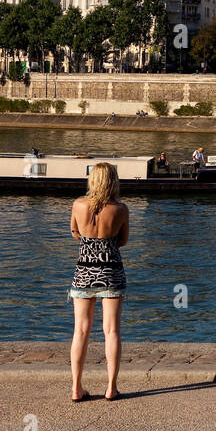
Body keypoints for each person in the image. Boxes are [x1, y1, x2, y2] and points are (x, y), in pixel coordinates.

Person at [68, 163, 129, 402]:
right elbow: (123, 241)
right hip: (112, 272)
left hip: (84, 272)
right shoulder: (121, 209)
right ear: (113, 181)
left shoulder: (78, 205)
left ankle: (76, 388)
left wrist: (87, 239)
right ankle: (111, 387)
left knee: (81, 330)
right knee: (112, 330)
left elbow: (74, 232)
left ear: (93, 180)